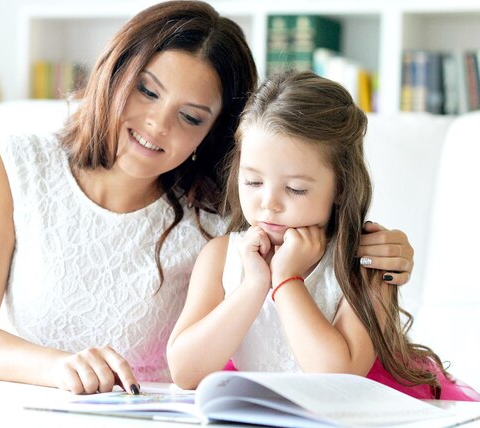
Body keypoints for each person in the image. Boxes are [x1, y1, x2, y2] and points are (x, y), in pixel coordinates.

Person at [0, 2, 415, 396]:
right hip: (41, 404)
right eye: (146, 91)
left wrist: (384, 247)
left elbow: (302, 194)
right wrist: (58, 368)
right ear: (116, 70)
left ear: (215, 134)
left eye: (190, 117)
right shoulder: (19, 164)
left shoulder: (222, 213)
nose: (157, 125)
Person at [167, 70, 480, 401]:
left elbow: (338, 379)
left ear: (340, 188)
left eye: (296, 189)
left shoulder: (365, 264)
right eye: (254, 182)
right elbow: (185, 372)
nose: (269, 204)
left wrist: (286, 280)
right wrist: (253, 285)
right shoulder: (222, 256)